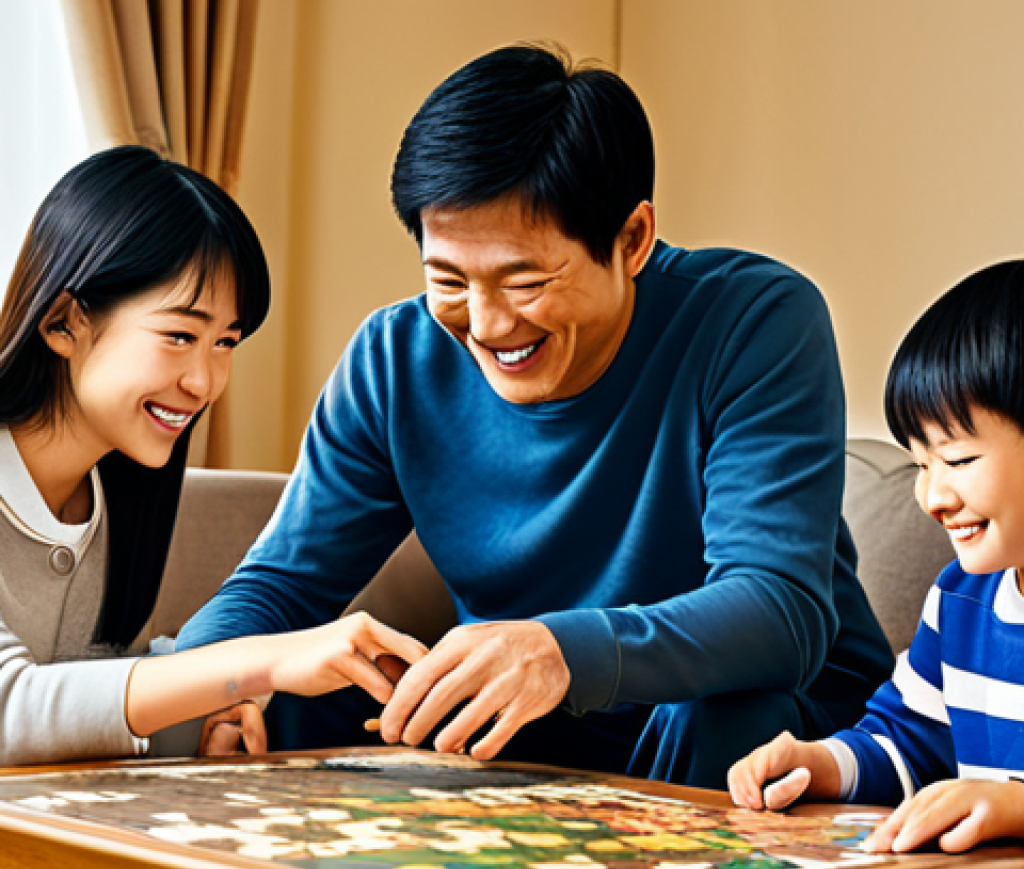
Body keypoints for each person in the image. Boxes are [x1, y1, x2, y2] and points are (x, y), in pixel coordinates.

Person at [177, 43, 893, 786]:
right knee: (282, 699)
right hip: (525, 730)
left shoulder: (754, 320)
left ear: (632, 240)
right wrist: (215, 686)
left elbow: (779, 611)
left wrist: (560, 652)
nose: (487, 325)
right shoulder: (395, 359)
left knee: (724, 718)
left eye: (524, 281)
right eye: (448, 280)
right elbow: (278, 588)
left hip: (766, 728)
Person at [0, 145, 426, 869]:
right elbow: (14, 712)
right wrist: (256, 663)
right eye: (180, 335)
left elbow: (89, 706)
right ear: (65, 321)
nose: (206, 380)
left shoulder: (113, 497)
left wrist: (202, 721)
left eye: (225, 342)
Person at [729, 260, 1024, 855]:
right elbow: (908, 743)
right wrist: (819, 764)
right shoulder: (960, 599)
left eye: (958, 460)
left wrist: (1014, 805)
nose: (933, 497)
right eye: (920, 464)